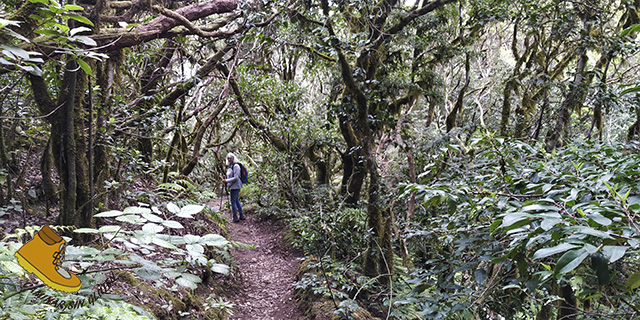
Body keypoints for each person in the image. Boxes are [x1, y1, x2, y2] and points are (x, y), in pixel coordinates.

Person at [223, 152, 245, 222]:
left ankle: (235, 217)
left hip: (236, 186)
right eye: (228, 158)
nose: (229, 159)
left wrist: (226, 180)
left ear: (233, 158)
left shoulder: (236, 166)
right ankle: (241, 215)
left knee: (233, 201)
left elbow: (236, 177)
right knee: (236, 200)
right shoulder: (230, 166)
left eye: (230, 158)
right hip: (232, 186)